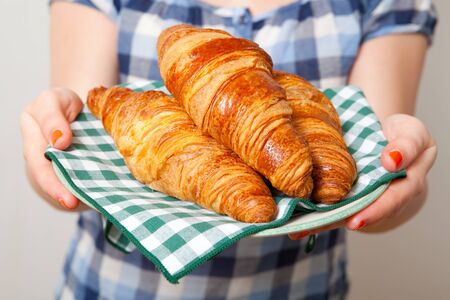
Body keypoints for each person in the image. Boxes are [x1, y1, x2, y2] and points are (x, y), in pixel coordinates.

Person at [20, 0, 437, 298]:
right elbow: (79, 151)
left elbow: (377, 155)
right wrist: (54, 145)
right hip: (111, 288)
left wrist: (397, 179)